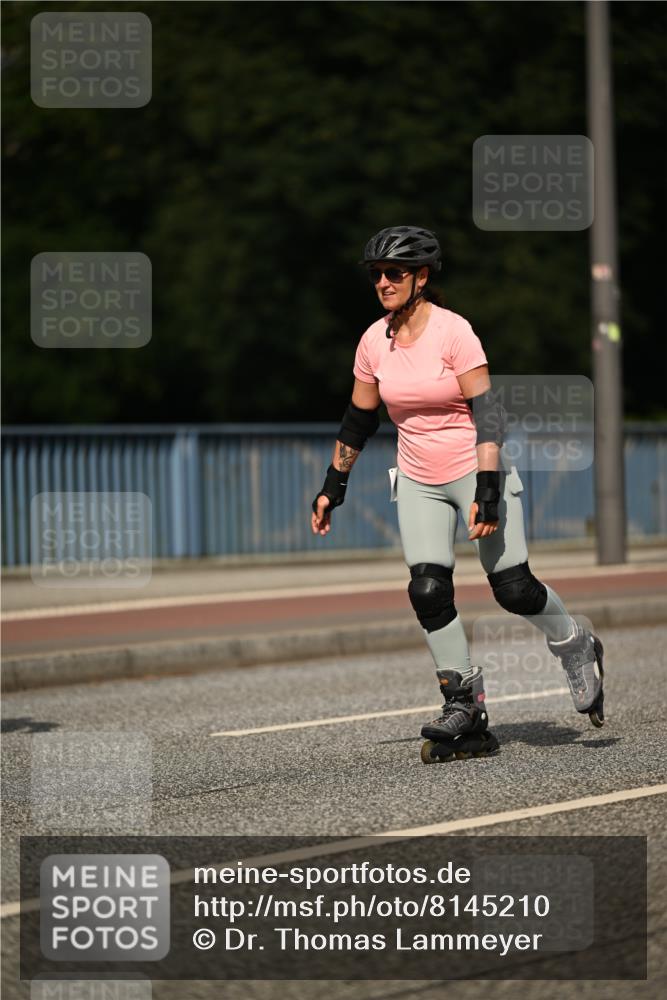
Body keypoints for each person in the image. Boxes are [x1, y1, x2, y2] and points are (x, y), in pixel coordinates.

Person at [311, 225, 605, 763]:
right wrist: (334, 484)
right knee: (427, 589)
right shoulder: (373, 341)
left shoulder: (454, 332)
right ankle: (463, 704)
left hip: (474, 467)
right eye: (376, 274)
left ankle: (574, 643)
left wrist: (488, 489)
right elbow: (358, 419)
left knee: (513, 588)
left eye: (394, 273)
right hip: (418, 478)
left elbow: (488, 414)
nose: (383, 282)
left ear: (421, 277)